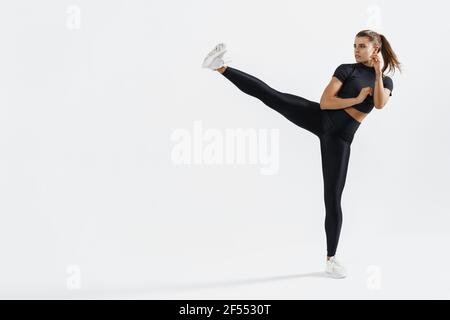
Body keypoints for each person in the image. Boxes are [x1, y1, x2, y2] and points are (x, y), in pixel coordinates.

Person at [201, 30, 401, 278]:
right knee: (272, 95)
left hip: (340, 139)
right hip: (320, 118)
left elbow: (380, 104)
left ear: (375, 50)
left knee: (333, 198)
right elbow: (326, 102)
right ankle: (220, 67)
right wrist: (357, 98)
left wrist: (378, 75)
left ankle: (331, 259)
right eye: (354, 45)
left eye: (362, 46)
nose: (356, 50)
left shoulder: (386, 81)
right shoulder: (346, 69)